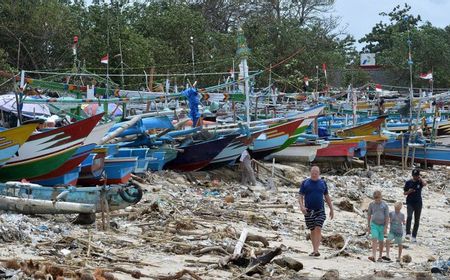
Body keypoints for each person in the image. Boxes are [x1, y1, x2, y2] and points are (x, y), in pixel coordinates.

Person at [298, 166, 334, 257]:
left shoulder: (323, 183)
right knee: (312, 230)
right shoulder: (305, 183)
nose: (314, 174)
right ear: (310, 173)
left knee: (318, 227)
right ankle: (314, 250)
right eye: (313, 172)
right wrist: (302, 207)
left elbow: (327, 196)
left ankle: (317, 250)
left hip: (320, 210)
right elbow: (300, 196)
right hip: (308, 211)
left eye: (316, 172)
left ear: (319, 173)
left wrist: (331, 209)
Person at [404, 169, 426, 242]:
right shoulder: (408, 182)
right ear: (412, 175)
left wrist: (421, 178)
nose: (415, 177)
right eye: (414, 175)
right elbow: (404, 193)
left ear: (418, 176)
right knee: (409, 216)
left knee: (417, 220)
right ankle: (408, 233)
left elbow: (425, 184)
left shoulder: (420, 182)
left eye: (416, 176)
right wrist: (409, 191)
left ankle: (414, 236)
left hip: (418, 203)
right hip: (410, 202)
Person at [367, 190, 389, 262]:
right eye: (375, 198)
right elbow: (369, 215)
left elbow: (387, 217)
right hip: (374, 224)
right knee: (374, 239)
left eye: (378, 198)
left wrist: (386, 227)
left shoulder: (385, 205)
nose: (377, 199)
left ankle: (380, 256)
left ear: (381, 197)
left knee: (381, 241)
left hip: (382, 226)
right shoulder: (371, 204)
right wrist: (368, 225)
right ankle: (373, 255)